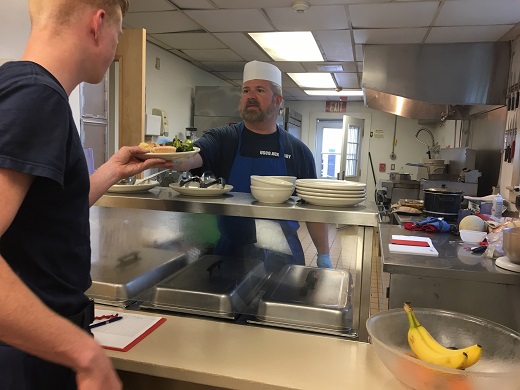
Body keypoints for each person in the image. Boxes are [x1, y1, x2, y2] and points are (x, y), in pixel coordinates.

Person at [0, 1, 174, 389]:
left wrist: (112, 170)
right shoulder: (36, 97)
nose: (117, 45)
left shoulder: (20, 87)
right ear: (98, 24)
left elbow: (42, 213)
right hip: (30, 352)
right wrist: (85, 353)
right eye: (120, 30)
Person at [175, 60, 332, 270]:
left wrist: (323, 255)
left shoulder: (298, 151)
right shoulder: (224, 139)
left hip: (282, 256)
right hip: (230, 256)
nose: (250, 96)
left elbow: (314, 209)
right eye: (246, 90)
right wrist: (172, 156)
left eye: (260, 90)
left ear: (277, 100)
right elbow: (191, 158)